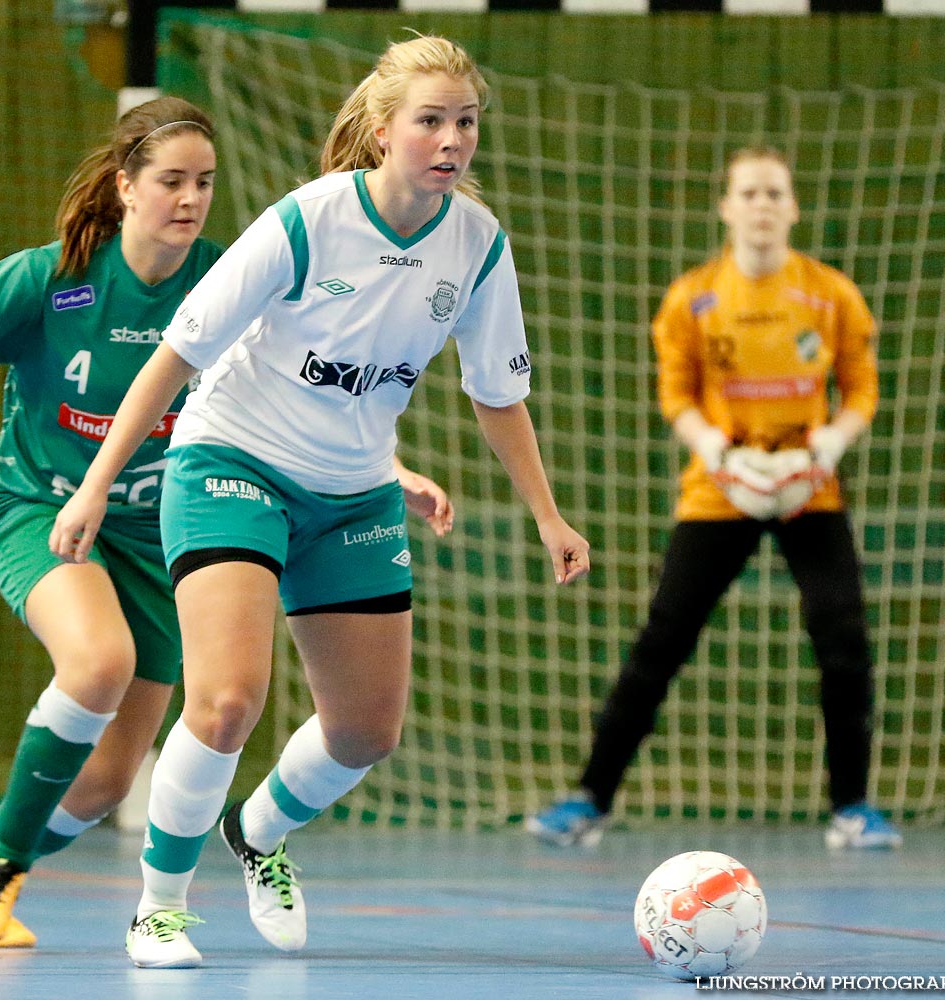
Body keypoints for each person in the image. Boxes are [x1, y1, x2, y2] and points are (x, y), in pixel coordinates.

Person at [0, 94, 456, 950]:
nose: (189, 198)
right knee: (98, 661)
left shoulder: (232, 274)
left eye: (205, 183)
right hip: (48, 508)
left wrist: (389, 471)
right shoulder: (52, 278)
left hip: (156, 535)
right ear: (125, 186)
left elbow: (311, 392)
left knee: (105, 782)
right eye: (171, 180)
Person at [48, 34, 591, 968]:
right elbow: (175, 354)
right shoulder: (306, 222)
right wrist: (97, 484)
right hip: (234, 464)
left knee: (365, 732)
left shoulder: (476, 241)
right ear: (383, 131)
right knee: (224, 702)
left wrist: (547, 514)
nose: (451, 138)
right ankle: (159, 908)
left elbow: (496, 391)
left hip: (352, 492)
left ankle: (257, 834)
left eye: (465, 121)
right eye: (430, 120)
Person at [525, 146, 902, 853]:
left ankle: (852, 807)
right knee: (663, 638)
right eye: (748, 193)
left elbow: (861, 390)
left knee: (842, 635)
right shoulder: (691, 299)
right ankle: (588, 798)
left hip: (806, 488)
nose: (761, 205)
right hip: (719, 491)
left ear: (791, 207)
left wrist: (820, 451)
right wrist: (721, 457)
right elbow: (675, 394)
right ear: (725, 207)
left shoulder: (830, 296)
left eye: (773, 193)